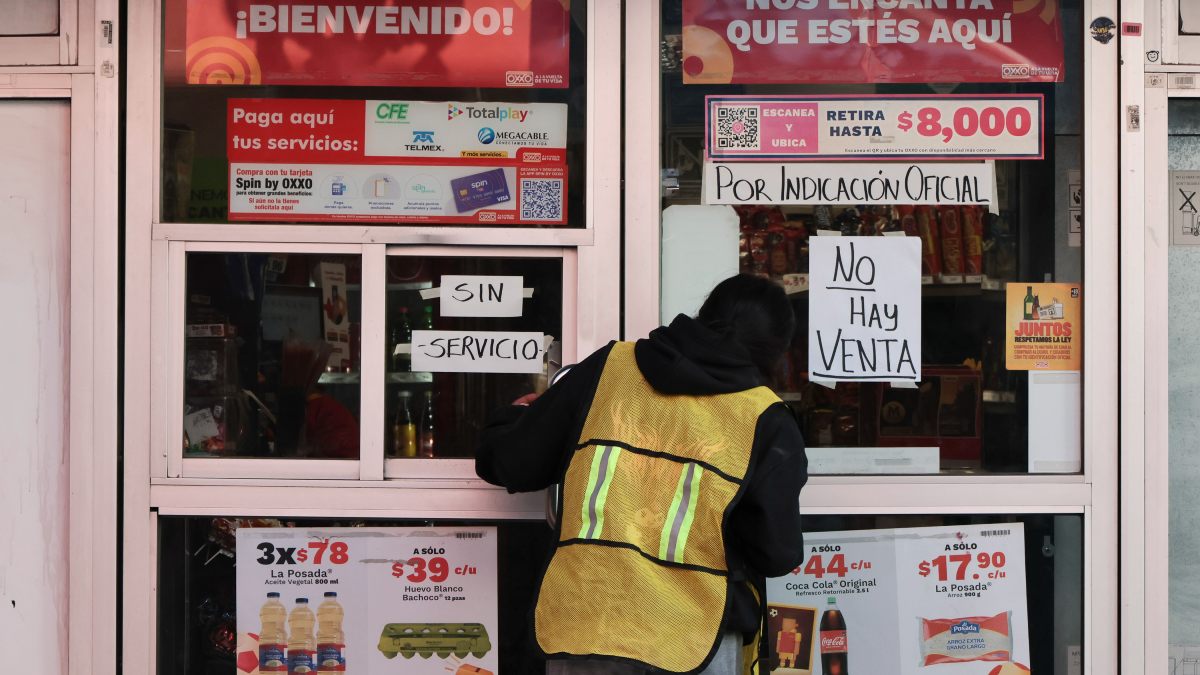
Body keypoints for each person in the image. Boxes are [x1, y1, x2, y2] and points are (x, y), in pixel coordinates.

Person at [476, 274, 808, 675]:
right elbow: (776, 553)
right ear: (777, 352)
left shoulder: (610, 369)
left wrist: (514, 419)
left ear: (703, 316)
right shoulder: (765, 419)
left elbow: (511, 462)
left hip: (589, 628)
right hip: (695, 639)